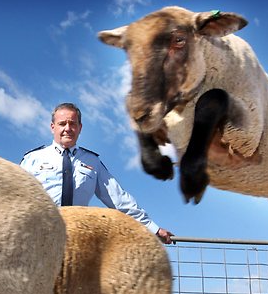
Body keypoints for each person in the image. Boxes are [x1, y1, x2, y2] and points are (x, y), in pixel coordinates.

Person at [20, 102, 173, 244]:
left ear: (80, 128)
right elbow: (17, 197)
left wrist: (153, 228)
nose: (67, 128)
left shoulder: (92, 162)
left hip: (76, 239)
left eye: (72, 124)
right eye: (62, 124)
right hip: (39, 236)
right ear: (53, 127)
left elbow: (118, 198)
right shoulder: (33, 159)